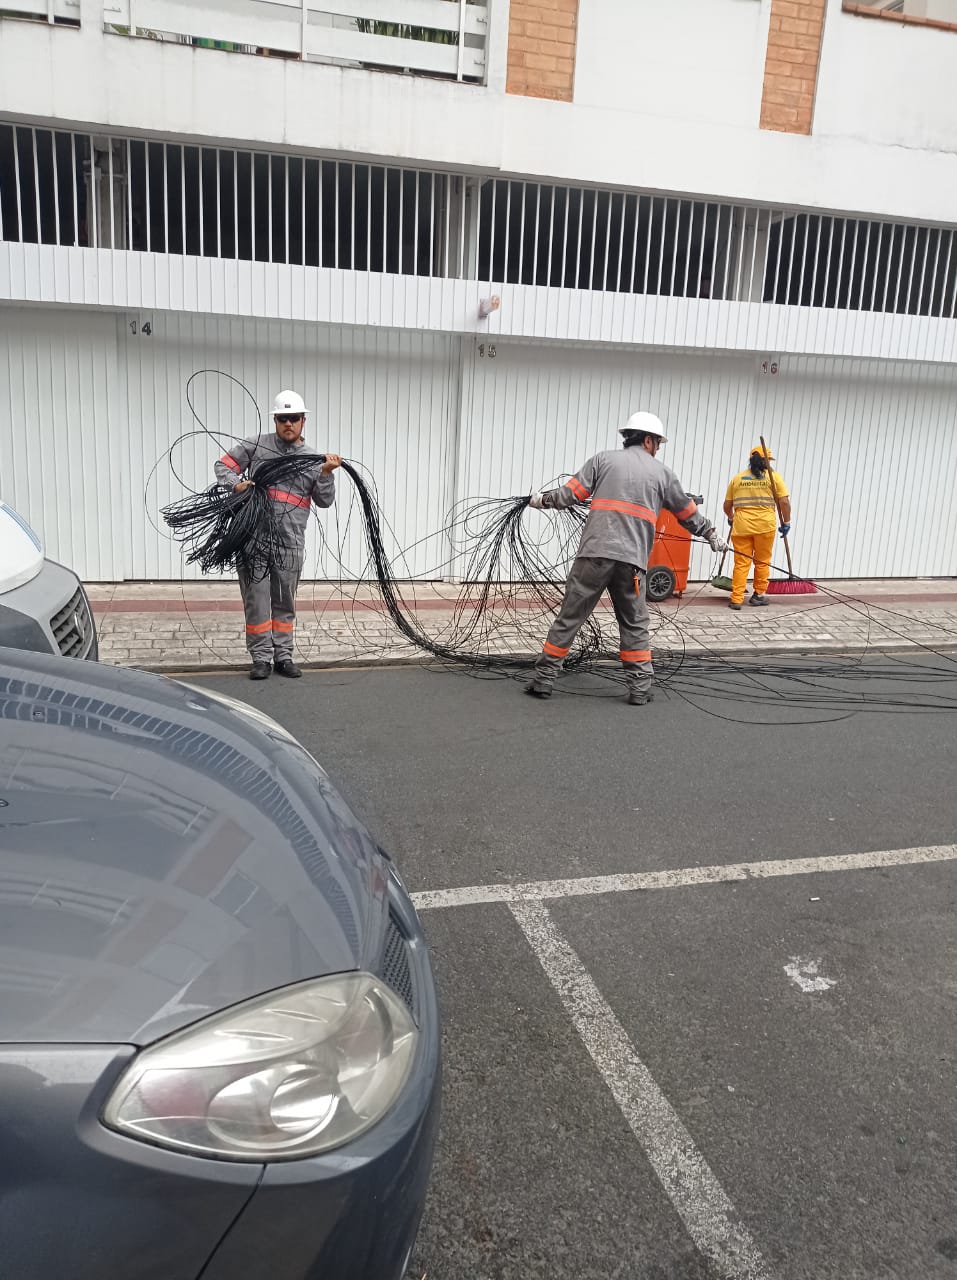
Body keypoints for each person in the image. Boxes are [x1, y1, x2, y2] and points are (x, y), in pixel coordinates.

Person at [524, 411, 728, 706]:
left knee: (569, 618)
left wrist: (541, 500)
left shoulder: (602, 460)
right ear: (647, 440)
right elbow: (686, 512)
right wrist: (710, 533)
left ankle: (543, 680)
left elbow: (570, 495)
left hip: (593, 557)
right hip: (631, 565)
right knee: (634, 625)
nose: (657, 449)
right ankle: (640, 689)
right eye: (657, 443)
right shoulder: (663, 474)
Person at [214, 390, 342, 680]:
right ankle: (261, 658)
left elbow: (324, 501)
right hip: (253, 540)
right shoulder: (256, 445)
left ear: (303, 421)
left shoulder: (313, 459)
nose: (288, 423)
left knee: (285, 602)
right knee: (256, 601)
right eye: (283, 418)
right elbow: (222, 466)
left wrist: (326, 474)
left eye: (293, 418)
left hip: (290, 542)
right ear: (275, 419)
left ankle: (283, 656)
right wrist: (236, 485)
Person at [722, 443, 791, 610]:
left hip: (741, 527)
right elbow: (784, 502)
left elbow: (727, 504)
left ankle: (736, 599)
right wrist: (786, 522)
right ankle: (758, 595)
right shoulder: (774, 478)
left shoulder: (738, 478)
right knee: (762, 561)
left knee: (741, 563)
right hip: (765, 527)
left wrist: (731, 517)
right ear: (765, 462)